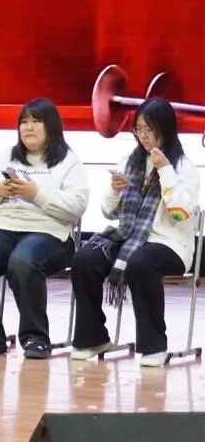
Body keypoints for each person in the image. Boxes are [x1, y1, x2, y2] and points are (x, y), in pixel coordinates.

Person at [70, 98, 201, 366]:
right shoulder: (129, 161)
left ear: (165, 129)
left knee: (140, 263)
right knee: (85, 258)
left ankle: (154, 346)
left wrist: (165, 170)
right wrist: (114, 189)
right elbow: (108, 212)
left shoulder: (182, 167)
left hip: (170, 244)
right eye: (139, 129)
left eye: (149, 129)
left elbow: (179, 212)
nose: (143, 136)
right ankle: (92, 337)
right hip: (129, 237)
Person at [0, 97, 88, 359]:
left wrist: (36, 194)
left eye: (36, 122)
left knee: (23, 261)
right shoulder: (6, 157)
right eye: (24, 122)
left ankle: (35, 338)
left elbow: (76, 207)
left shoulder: (68, 161)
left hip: (50, 232)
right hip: (4, 225)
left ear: (51, 127)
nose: (28, 128)